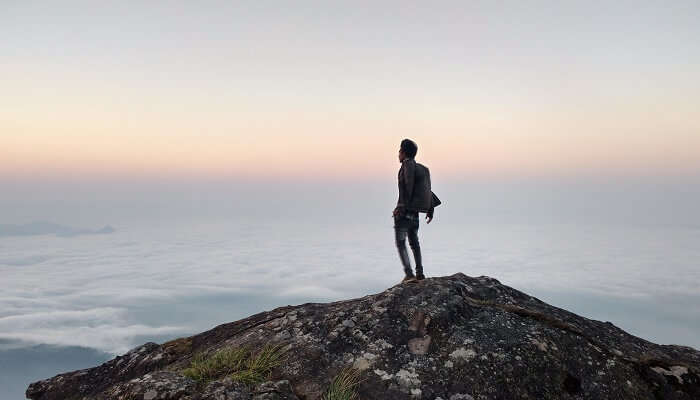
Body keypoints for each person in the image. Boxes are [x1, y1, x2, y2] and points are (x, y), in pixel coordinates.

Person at [392, 139, 435, 283]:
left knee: (400, 242)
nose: (398, 154)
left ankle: (409, 274)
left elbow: (408, 184)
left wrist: (401, 207)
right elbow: (427, 190)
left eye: (399, 151)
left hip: (405, 212)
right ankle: (420, 273)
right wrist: (430, 209)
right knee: (414, 243)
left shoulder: (407, 165)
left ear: (403, 153)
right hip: (415, 214)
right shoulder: (423, 169)